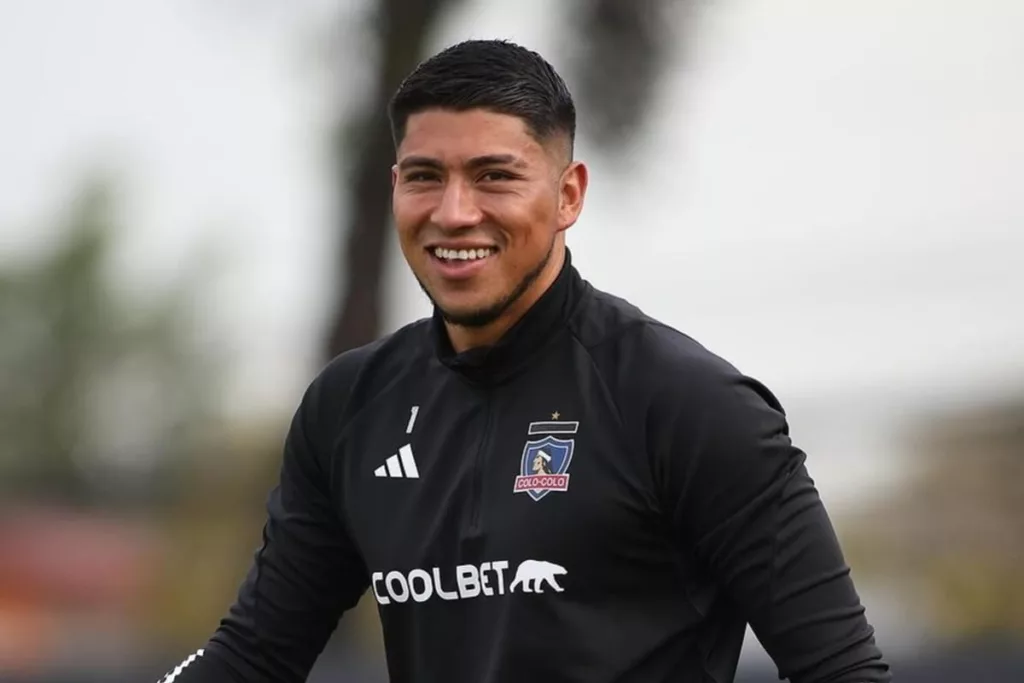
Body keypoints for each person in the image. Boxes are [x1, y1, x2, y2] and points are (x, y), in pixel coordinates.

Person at [160, 39, 891, 683]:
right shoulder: (349, 406)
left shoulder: (688, 402)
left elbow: (842, 669)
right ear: (394, 190)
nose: (453, 212)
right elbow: (255, 656)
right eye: (424, 176)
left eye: (494, 176)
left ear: (568, 194)